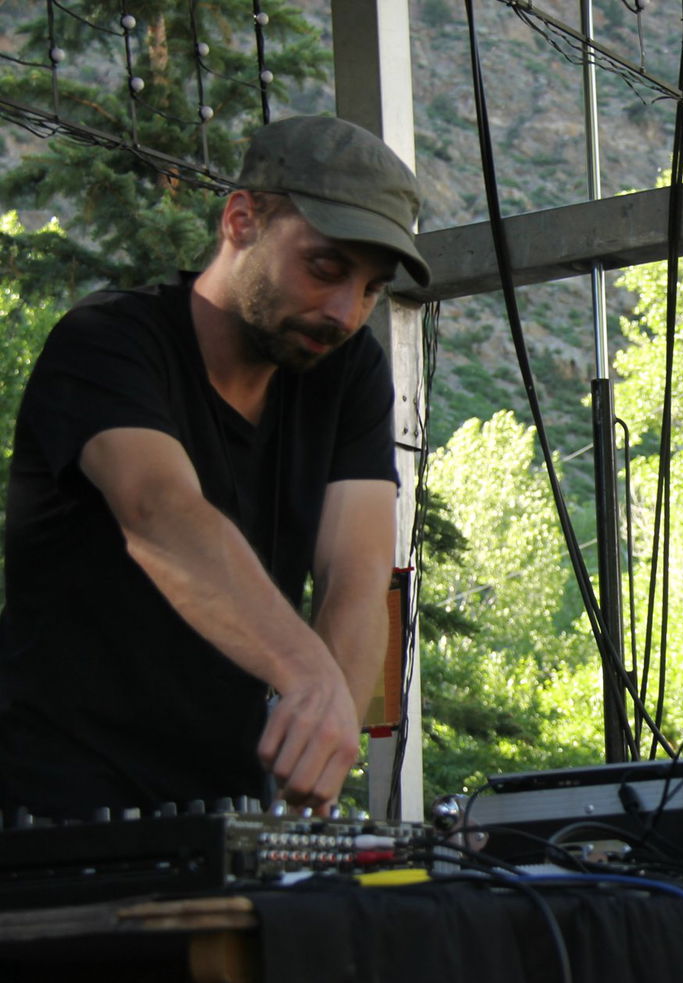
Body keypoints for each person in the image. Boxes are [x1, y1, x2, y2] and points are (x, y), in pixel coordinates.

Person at [0, 115, 430, 821]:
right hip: (53, 804)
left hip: (227, 805)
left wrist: (326, 736)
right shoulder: (107, 343)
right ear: (240, 221)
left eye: (371, 289)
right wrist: (307, 671)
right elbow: (160, 513)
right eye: (326, 268)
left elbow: (356, 576)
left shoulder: (348, 371)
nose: (345, 312)